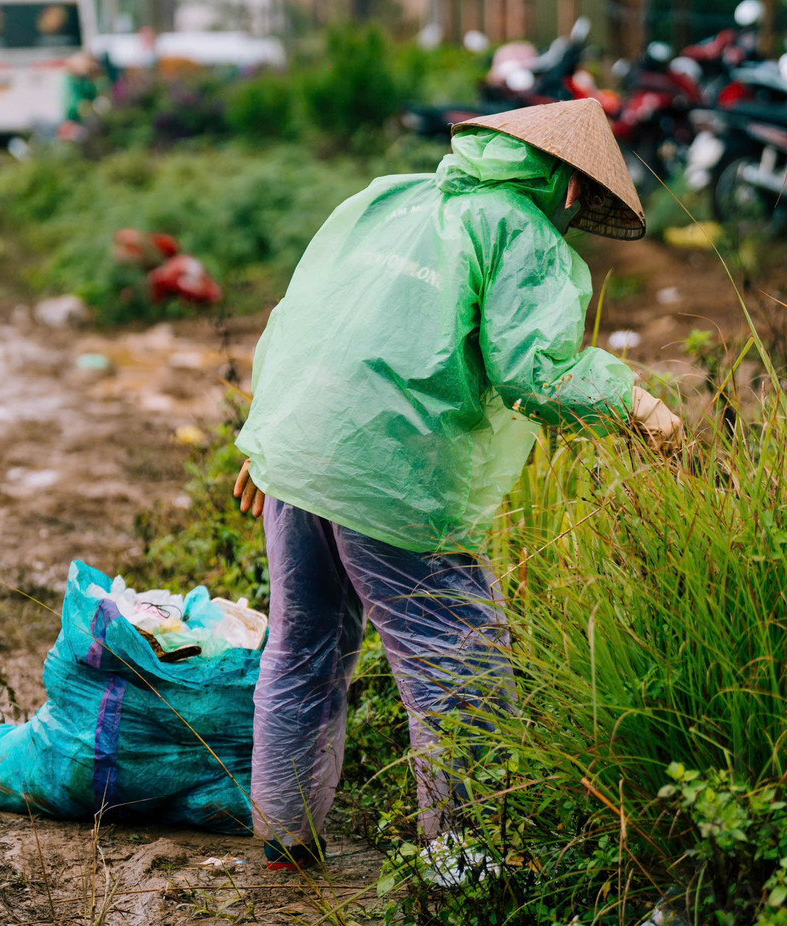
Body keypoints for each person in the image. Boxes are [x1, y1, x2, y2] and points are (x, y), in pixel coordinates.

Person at [230, 98, 683, 873]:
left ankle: (284, 837)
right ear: (571, 185)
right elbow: (533, 371)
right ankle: (465, 862)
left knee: (303, 646)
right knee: (457, 659)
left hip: (300, 456)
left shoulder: (387, 200)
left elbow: (301, 317)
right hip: (392, 476)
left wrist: (268, 436)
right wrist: (634, 402)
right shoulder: (520, 233)